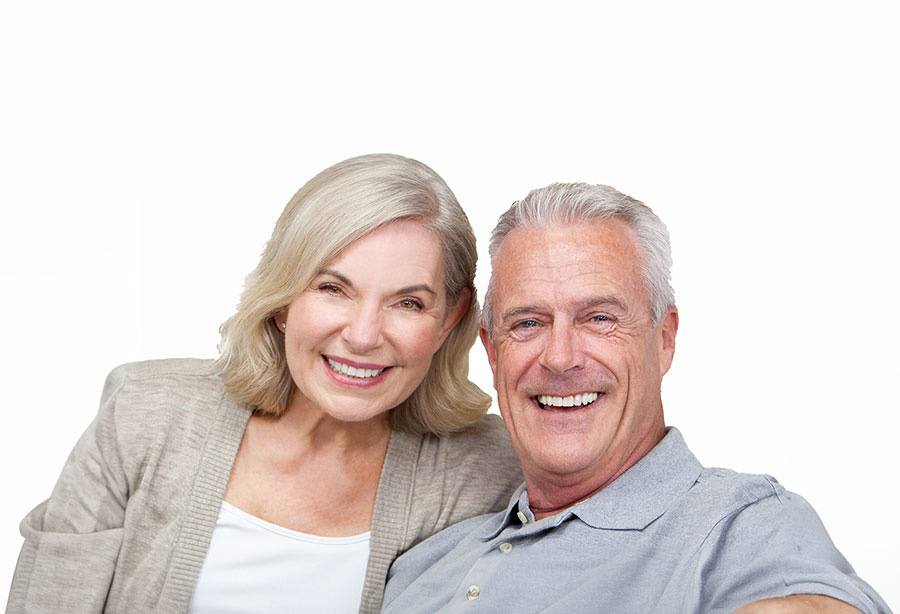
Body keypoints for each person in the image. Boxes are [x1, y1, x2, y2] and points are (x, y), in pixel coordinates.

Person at [6, 154, 522, 614]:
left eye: (408, 302)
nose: (363, 336)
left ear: (450, 318)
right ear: (282, 299)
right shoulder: (145, 412)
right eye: (332, 288)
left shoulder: (488, 469)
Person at [382, 183, 891, 613]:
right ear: (492, 352)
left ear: (663, 338)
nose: (560, 358)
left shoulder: (739, 527)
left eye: (599, 318)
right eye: (528, 323)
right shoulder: (422, 564)